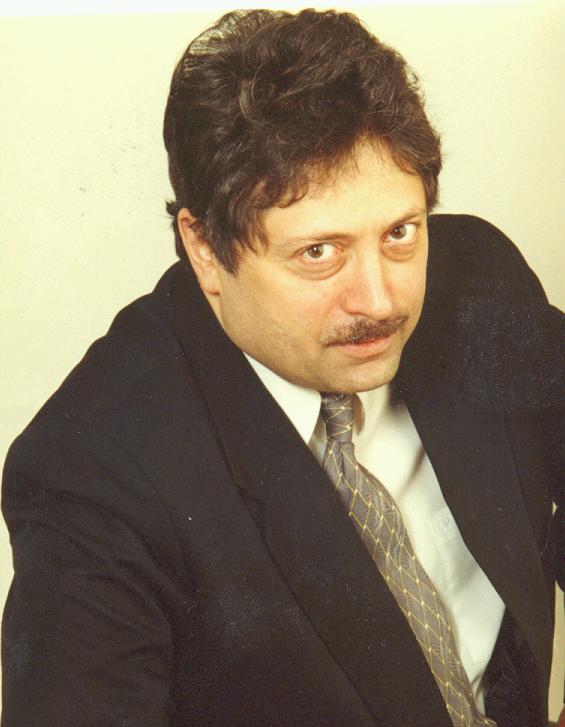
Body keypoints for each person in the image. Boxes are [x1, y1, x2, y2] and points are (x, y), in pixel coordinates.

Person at [1, 8, 563, 727]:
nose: (380, 300)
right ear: (205, 248)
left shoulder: (479, 280)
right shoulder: (93, 471)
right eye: (318, 253)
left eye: (399, 232)